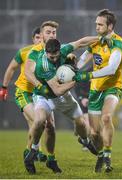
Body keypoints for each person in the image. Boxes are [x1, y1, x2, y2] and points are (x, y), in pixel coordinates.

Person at [24, 35, 103, 174]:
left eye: (56, 56)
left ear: (59, 51)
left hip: (64, 97)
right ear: (46, 52)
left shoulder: (64, 50)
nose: (54, 59)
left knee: (81, 124)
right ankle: (34, 150)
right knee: (40, 121)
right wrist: (76, 78)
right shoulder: (44, 64)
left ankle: (84, 141)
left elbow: (81, 42)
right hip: (45, 96)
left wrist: (101, 38)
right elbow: (57, 90)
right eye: (51, 57)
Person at [74, 9, 122, 173]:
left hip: (113, 86)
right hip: (95, 89)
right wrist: (72, 69)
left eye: (100, 24)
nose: (96, 27)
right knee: (95, 133)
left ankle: (108, 155)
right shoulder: (96, 42)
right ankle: (101, 154)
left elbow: (111, 69)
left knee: (106, 117)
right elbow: (82, 60)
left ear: (110, 26)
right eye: (96, 23)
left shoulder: (118, 44)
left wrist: (88, 75)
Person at [0, 27, 48, 162]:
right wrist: (4, 87)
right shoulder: (25, 51)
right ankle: (29, 151)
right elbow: (11, 68)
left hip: (38, 94)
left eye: (41, 37)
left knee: (35, 123)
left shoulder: (48, 52)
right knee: (39, 121)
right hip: (23, 92)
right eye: (37, 37)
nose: (39, 40)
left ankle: (35, 151)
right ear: (33, 39)